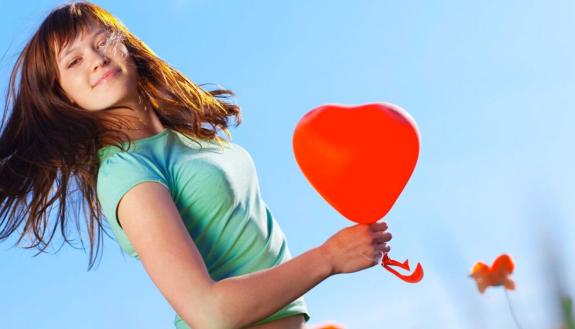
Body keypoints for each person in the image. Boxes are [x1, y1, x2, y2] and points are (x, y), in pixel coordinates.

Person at [0, 2, 392, 328]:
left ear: (129, 49)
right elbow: (208, 312)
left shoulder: (185, 140)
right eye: (74, 61)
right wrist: (328, 258)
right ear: (64, 98)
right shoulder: (126, 171)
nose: (97, 60)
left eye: (103, 41)